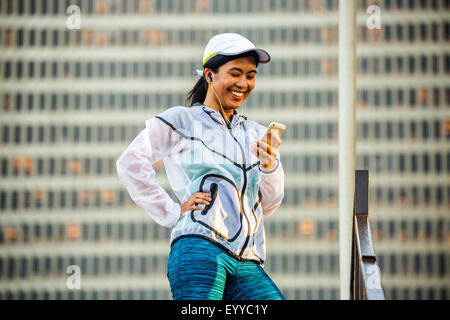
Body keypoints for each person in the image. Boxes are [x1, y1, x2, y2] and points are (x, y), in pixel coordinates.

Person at [116, 33, 285, 300]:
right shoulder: (181, 120)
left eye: (251, 75)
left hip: (248, 260)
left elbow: (270, 204)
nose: (244, 83)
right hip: (199, 248)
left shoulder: (256, 134)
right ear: (209, 76)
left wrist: (269, 165)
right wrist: (173, 211)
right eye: (235, 73)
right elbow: (130, 163)